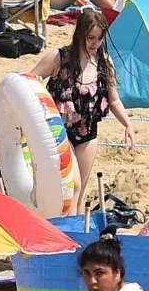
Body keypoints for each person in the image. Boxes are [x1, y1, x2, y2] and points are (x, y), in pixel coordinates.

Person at [32, 11, 132, 175]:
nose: (96, 43)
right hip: (59, 130)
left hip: (88, 132)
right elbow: (31, 80)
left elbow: (114, 101)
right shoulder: (60, 57)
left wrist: (127, 124)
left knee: (80, 188)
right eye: (91, 38)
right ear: (80, 34)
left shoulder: (104, 62)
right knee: (72, 184)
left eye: (100, 38)